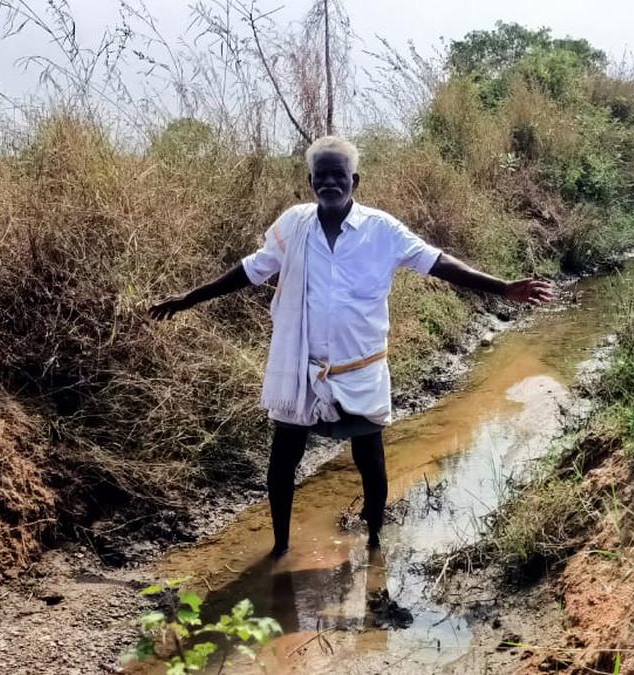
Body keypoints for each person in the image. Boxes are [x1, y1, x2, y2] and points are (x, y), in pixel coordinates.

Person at [149, 136, 553, 556]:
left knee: (370, 458)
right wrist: (188, 299)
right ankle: (281, 547)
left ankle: (375, 540)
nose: (328, 182)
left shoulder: (382, 230)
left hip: (360, 368)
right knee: (283, 458)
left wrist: (502, 288)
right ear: (310, 181)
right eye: (320, 176)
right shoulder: (293, 225)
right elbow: (252, 270)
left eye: (337, 175)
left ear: (353, 180)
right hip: (301, 366)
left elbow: (437, 263)